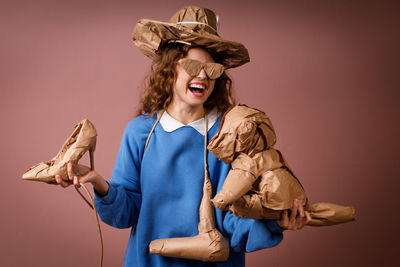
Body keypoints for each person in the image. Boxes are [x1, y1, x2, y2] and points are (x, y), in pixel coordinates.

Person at [55, 6, 310, 267]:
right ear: (170, 69)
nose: (203, 75)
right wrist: (99, 183)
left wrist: (274, 222)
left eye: (211, 69)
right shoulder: (140, 132)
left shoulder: (231, 135)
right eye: (192, 65)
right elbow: (126, 213)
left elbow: (234, 220)